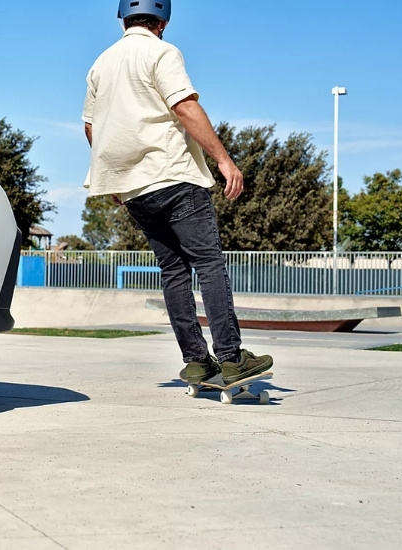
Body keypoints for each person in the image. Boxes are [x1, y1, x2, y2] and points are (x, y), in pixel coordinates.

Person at [81, 0, 273, 385]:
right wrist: (224, 160)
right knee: (209, 264)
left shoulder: (100, 64)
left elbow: (90, 127)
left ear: (123, 19)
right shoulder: (162, 51)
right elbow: (184, 106)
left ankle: (197, 361)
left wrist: (118, 177)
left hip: (135, 190)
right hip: (174, 177)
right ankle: (232, 358)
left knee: (173, 271)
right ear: (162, 22)